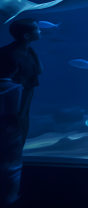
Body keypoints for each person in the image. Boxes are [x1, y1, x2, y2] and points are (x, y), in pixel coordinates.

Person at [0, 18, 43, 147]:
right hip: (10, 110)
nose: (40, 30)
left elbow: (39, 70)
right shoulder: (9, 54)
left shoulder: (29, 51)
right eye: (37, 29)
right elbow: (4, 86)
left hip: (24, 108)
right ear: (26, 35)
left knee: (18, 142)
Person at [0, 55, 23, 207]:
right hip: (9, 130)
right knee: (12, 166)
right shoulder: (16, 87)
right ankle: (10, 197)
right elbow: (15, 111)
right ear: (15, 70)